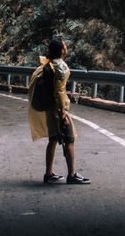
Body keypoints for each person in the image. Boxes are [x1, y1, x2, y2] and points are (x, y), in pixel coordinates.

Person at [28, 36, 90, 184]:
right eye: (65, 45)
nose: (66, 47)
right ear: (62, 49)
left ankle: (48, 174)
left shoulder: (48, 65)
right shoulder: (61, 66)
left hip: (50, 107)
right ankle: (72, 175)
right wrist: (63, 112)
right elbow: (60, 91)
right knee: (69, 138)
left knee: (53, 139)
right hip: (57, 109)